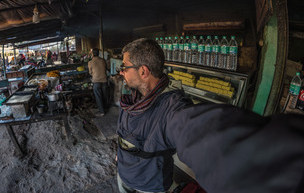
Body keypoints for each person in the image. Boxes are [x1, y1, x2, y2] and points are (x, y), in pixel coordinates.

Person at [116, 38, 304, 193]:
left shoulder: (172, 107)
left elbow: (200, 131)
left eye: (124, 67)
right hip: (123, 175)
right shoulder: (133, 96)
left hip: (148, 187)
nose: (121, 72)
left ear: (143, 71)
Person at [88, 48, 108, 116]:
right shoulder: (103, 60)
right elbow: (106, 68)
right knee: (105, 95)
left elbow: (90, 73)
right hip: (104, 80)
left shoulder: (90, 62)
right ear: (98, 53)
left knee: (98, 96)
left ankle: (102, 112)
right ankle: (105, 108)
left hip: (96, 81)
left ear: (92, 54)